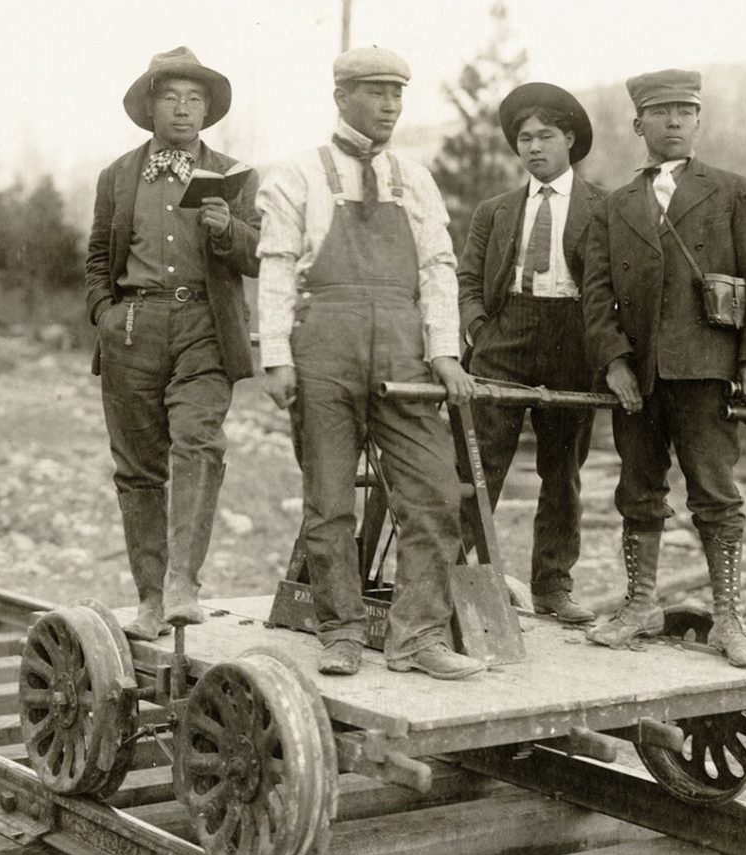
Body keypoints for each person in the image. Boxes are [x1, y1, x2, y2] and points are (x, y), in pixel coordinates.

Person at [256, 46, 484, 680]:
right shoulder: (297, 174)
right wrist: (275, 356)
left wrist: (443, 351)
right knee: (329, 500)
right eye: (376, 92)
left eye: (398, 93)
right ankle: (343, 630)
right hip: (325, 343)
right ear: (341, 97)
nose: (390, 105)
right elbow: (276, 267)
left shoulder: (416, 179)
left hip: (404, 349)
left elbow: (439, 269)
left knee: (437, 492)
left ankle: (418, 636)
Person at [581, 69, 746, 666]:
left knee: (715, 493)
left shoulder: (736, 192)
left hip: (708, 371)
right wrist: (613, 361)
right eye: (661, 113)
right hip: (638, 378)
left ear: (698, 121)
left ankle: (729, 619)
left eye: (685, 112)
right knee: (638, 490)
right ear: (638, 123)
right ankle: (640, 605)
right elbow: (596, 293)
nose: (673, 122)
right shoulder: (614, 207)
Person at [85, 47, 260, 641]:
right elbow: (96, 258)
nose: (183, 110)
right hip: (131, 329)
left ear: (208, 110)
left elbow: (261, 254)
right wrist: (105, 315)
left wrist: (228, 230)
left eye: (195, 99)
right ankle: (149, 598)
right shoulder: (118, 175)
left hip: (205, 329)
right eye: (171, 97)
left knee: (200, 445)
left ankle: (184, 583)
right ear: (150, 106)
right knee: (137, 471)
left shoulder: (234, 174)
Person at [457, 83, 605, 623]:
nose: (534, 147)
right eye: (524, 138)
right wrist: (478, 328)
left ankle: (552, 586)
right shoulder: (495, 211)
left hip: (573, 338)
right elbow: (468, 276)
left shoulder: (603, 209)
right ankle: (451, 579)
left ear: (570, 139)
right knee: (477, 464)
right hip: (506, 334)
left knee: (562, 471)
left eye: (545, 136)